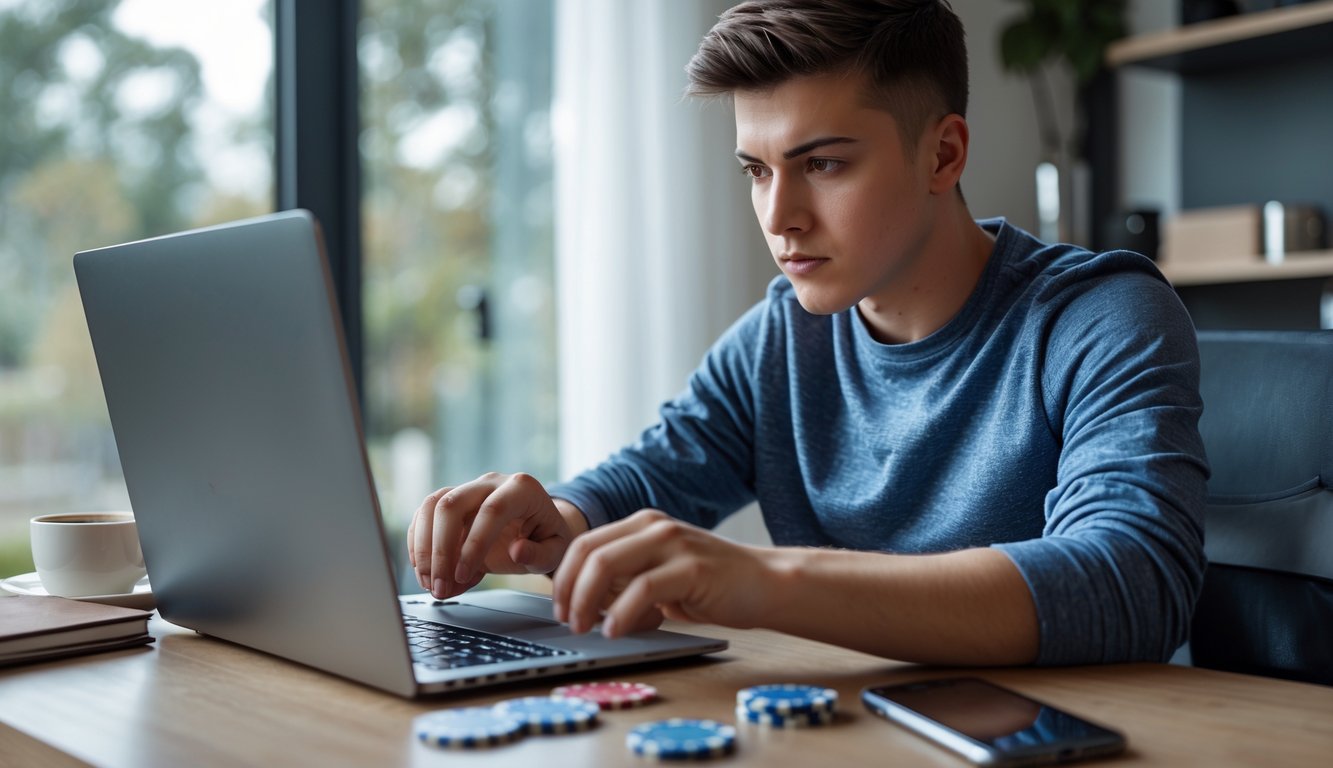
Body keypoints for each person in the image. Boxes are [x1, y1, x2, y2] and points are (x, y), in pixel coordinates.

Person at [407, 0, 1207, 667]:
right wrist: (559, 523)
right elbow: (653, 473)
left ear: (943, 153)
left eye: (821, 164)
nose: (778, 216)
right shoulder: (779, 339)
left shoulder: (1099, 316)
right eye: (755, 169)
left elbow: (1130, 580)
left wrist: (769, 583)